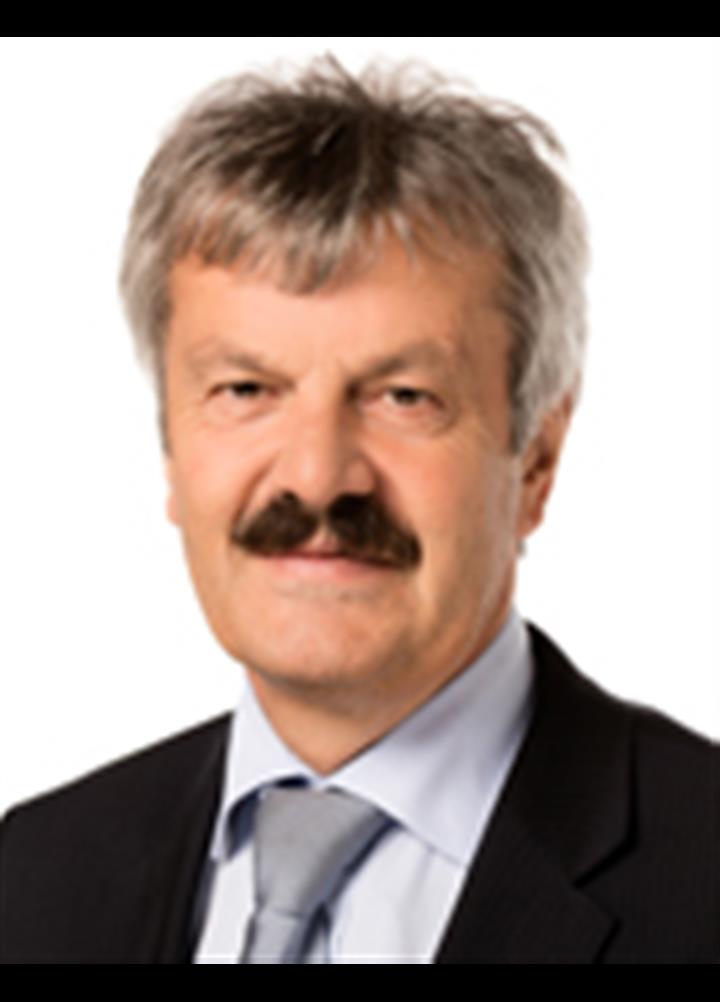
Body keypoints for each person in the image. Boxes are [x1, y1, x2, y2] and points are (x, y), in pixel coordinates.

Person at [0, 56, 716, 965]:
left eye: (404, 397)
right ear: (171, 448)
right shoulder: (35, 875)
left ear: (536, 459)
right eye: (246, 389)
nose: (317, 476)